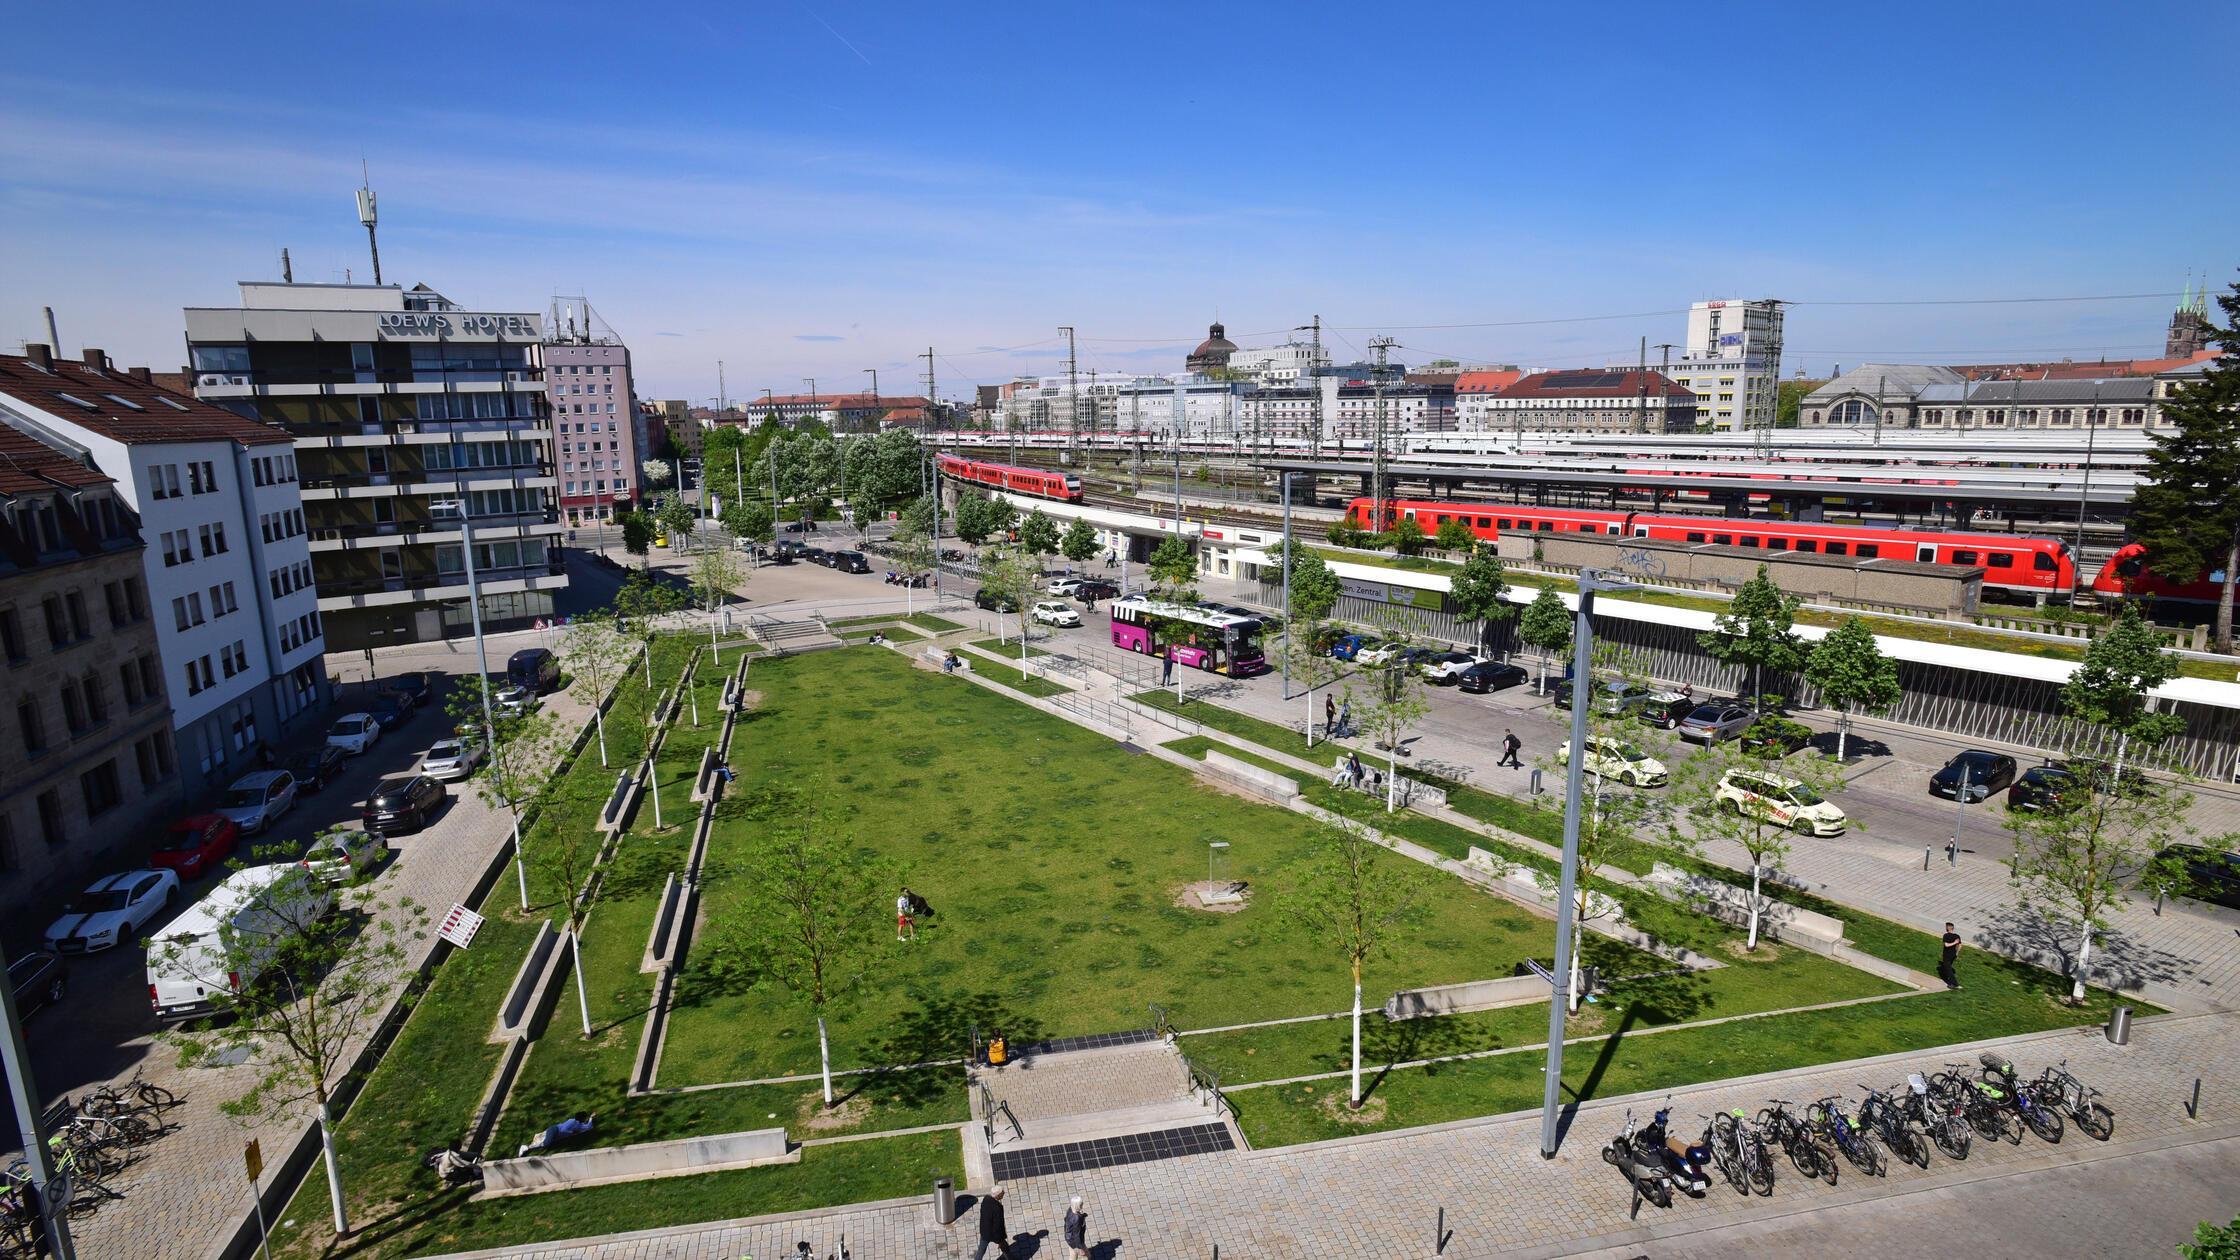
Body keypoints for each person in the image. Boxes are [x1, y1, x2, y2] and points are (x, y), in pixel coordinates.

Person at [518, 1111, 595, 1158]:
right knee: (546, 1143)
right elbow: (564, 1129)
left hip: (556, 1134)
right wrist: (572, 1132)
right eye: (585, 1118)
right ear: (581, 1118)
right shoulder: (572, 1121)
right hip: (555, 1130)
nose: (585, 1120)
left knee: (541, 1141)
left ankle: (527, 1147)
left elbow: (588, 1127)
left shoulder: (579, 1125)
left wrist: (591, 1118)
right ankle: (525, 1147)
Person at [976, 1185, 1012, 1260]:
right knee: (1005, 1247)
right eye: (1002, 1193)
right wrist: (1000, 1239)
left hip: (985, 1231)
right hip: (995, 1234)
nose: (1004, 1193)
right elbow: (998, 1226)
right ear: (998, 1195)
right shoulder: (998, 1208)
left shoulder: (986, 1199)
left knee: (981, 1250)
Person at [1063, 1194, 1089, 1259]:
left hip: (1069, 1238)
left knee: (1073, 1254)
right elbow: (1076, 1235)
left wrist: (1082, 1215)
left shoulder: (1070, 1209)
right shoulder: (1076, 1219)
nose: (1082, 1205)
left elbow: (1066, 1219)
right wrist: (1080, 1248)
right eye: (1081, 1204)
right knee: (1085, 1256)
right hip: (1075, 1242)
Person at [1938, 923, 1963, 990]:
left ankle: (1955, 984)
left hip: (1947, 956)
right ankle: (1945, 976)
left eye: (1946, 927)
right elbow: (1960, 945)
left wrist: (1954, 943)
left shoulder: (1946, 935)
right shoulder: (1957, 936)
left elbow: (1946, 945)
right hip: (1953, 955)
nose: (1945, 928)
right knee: (1947, 967)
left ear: (1948, 928)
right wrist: (1957, 953)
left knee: (1949, 969)